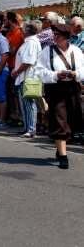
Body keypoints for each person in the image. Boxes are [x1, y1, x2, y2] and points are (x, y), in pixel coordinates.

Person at [35, 23, 84, 169]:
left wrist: (77, 74)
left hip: (72, 88)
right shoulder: (46, 51)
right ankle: (63, 156)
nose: (55, 38)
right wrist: (55, 75)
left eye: (58, 36)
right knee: (59, 119)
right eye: (54, 35)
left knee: (73, 119)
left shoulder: (76, 51)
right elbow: (39, 71)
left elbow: (83, 69)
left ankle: (60, 145)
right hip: (54, 88)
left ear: (66, 37)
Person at [11, 21, 42, 138]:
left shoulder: (32, 42)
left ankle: (31, 129)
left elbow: (28, 62)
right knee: (25, 104)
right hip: (23, 76)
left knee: (29, 104)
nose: (20, 31)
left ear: (27, 30)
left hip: (28, 77)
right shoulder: (28, 42)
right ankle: (27, 128)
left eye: (22, 29)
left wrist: (17, 71)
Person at [4, 11, 25, 126]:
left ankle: (21, 117)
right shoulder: (8, 34)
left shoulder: (17, 32)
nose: (4, 22)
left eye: (5, 19)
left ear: (10, 20)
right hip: (9, 66)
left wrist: (5, 49)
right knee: (10, 93)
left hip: (16, 67)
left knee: (16, 93)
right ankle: (14, 115)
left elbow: (12, 51)